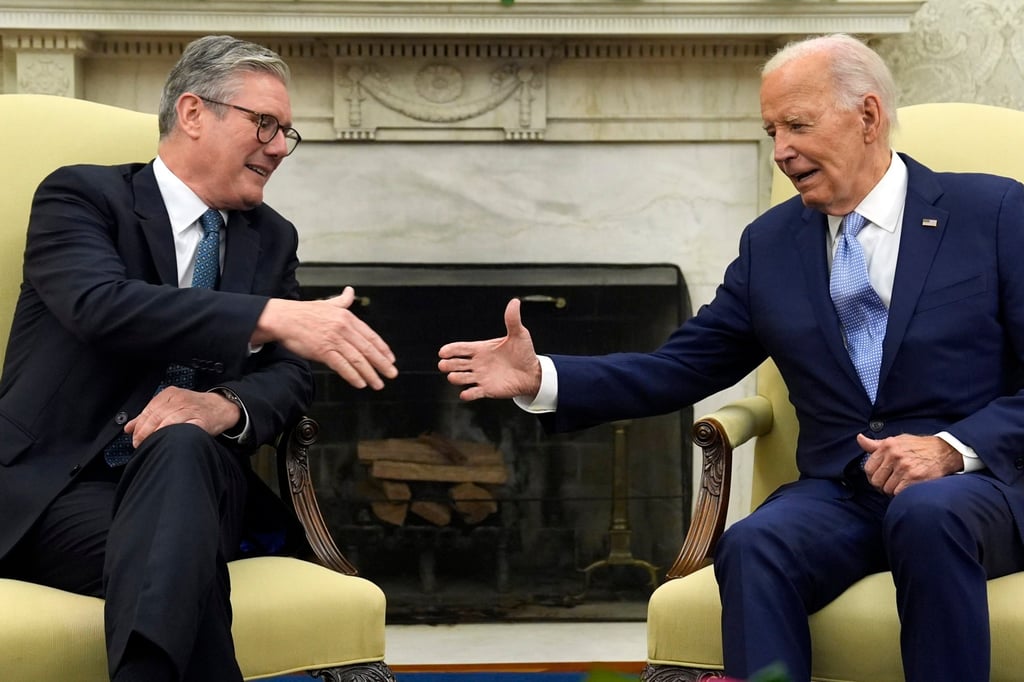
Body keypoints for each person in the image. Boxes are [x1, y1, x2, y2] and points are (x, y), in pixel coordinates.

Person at [438, 33, 1024, 682]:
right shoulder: (772, 243)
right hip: (845, 493)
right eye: (771, 131)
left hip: (978, 487)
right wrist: (542, 376)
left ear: (867, 116)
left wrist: (949, 448)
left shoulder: (993, 213)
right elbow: (683, 366)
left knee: (926, 510)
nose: (781, 152)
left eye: (797, 126)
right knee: (753, 541)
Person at [0, 35, 397, 682]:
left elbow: (291, 377)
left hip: (202, 483)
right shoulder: (82, 198)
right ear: (192, 113)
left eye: (286, 133)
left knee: (184, 447)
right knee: (182, 566)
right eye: (263, 124)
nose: (277, 147)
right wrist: (272, 317)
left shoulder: (271, 238)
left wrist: (222, 406)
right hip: (59, 489)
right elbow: (102, 305)